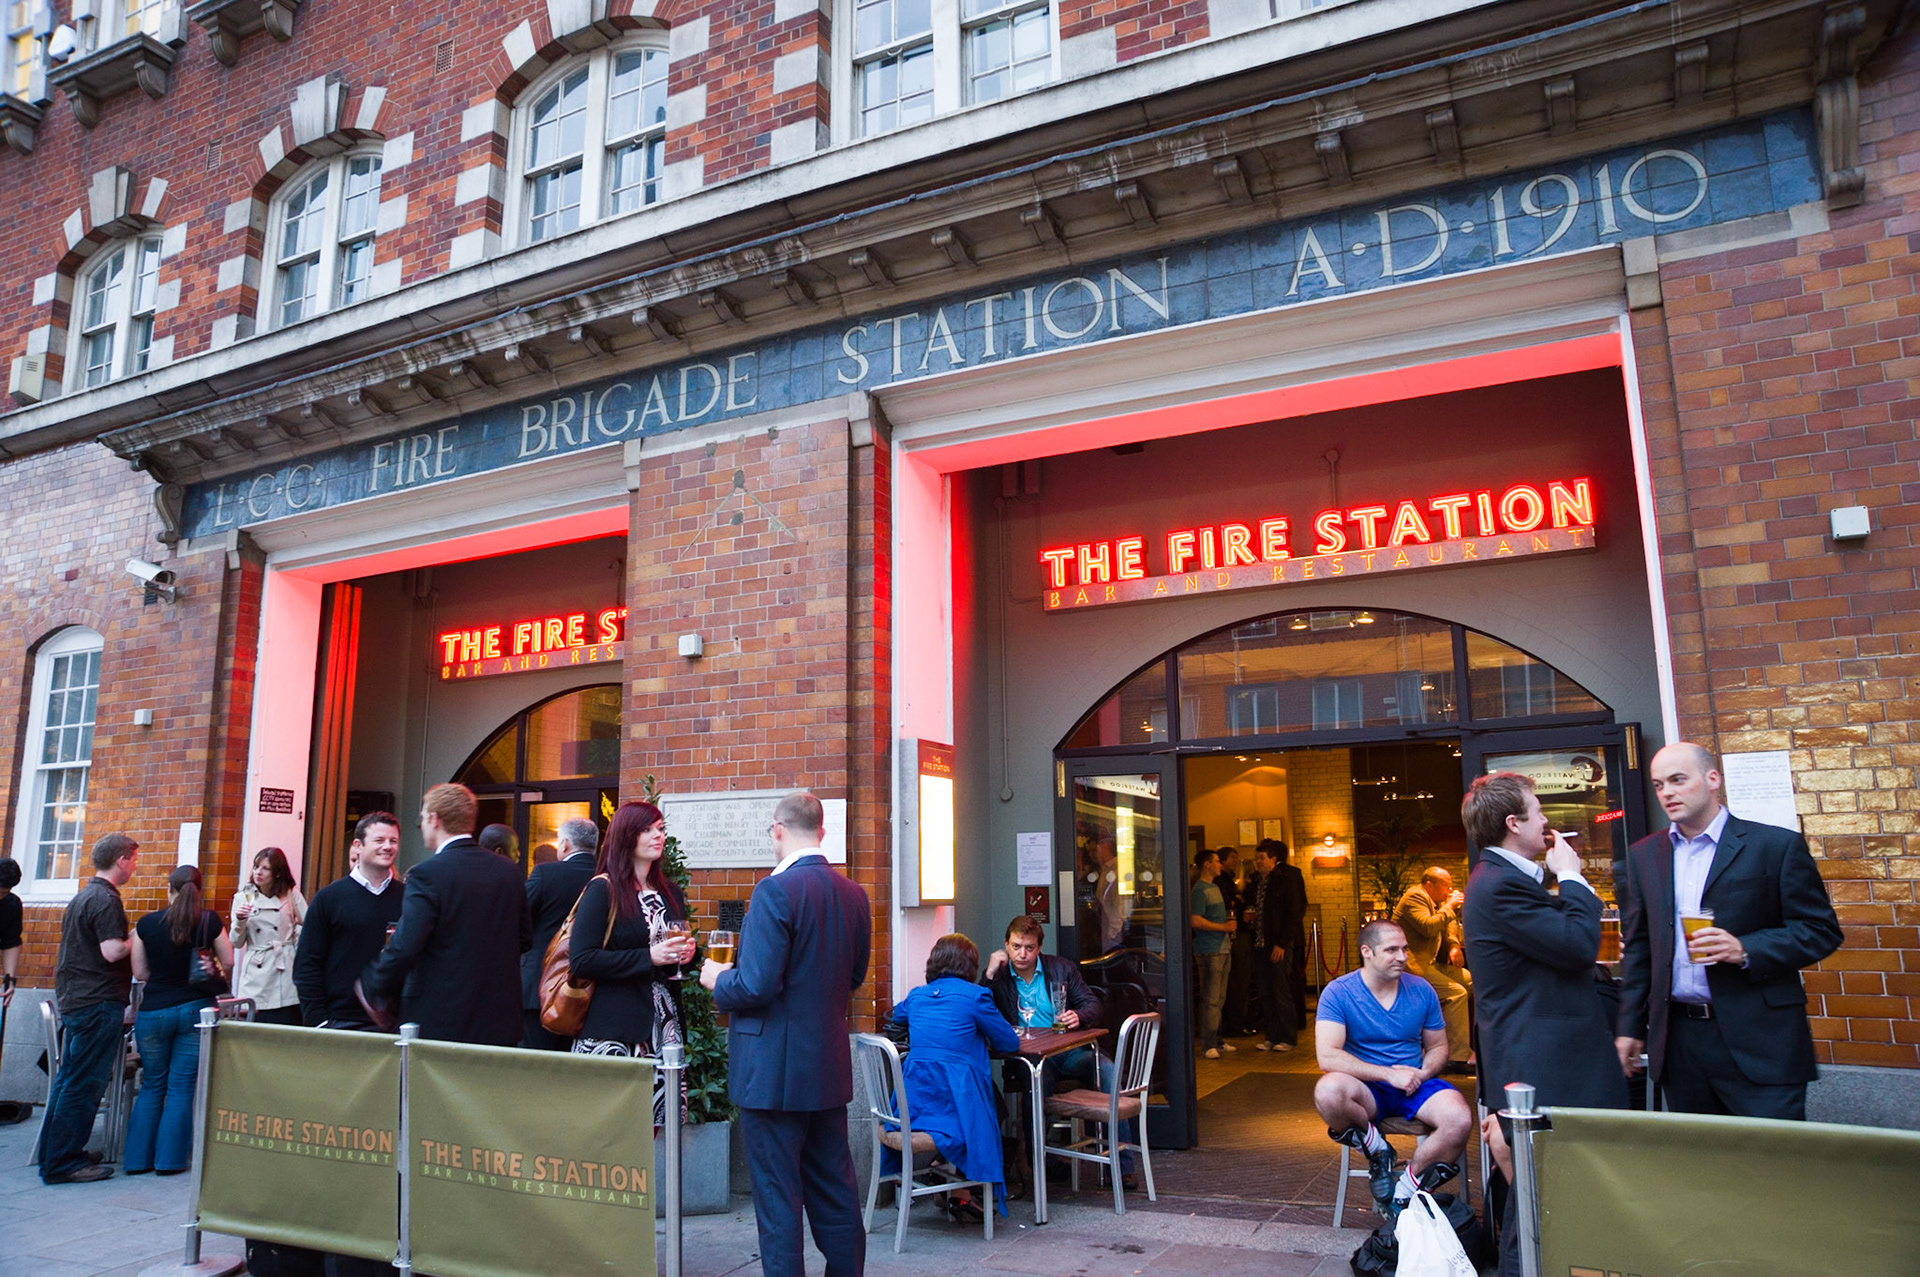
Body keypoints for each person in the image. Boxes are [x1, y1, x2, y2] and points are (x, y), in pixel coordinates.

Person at [1614, 742, 1842, 1120]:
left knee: (1771, 1152)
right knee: (1703, 1154)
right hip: (1680, 1042)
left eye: (1678, 780)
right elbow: (1640, 948)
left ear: (1712, 779)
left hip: (1760, 1039)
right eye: (1658, 785)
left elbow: (1820, 930)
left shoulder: (1774, 846)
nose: (1667, 792)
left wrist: (1746, 948)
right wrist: (1630, 1027)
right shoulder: (1644, 855)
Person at [1461, 772, 1624, 1277]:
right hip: (1543, 1068)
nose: (1547, 820)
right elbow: (1577, 945)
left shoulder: (1506, 880)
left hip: (1544, 1063)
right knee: (1538, 1206)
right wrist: (1571, 877)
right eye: (1538, 811)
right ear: (1514, 823)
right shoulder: (1500, 885)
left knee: (1542, 1203)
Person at [702, 791, 869, 1277]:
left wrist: (717, 980)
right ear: (821, 831)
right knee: (835, 1189)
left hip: (771, 1073)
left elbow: (756, 984)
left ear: (777, 829)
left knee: (778, 1199)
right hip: (827, 1068)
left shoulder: (774, 891)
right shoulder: (854, 894)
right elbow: (855, 976)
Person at [1313, 920, 1471, 1220]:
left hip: (1415, 1082)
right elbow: (1328, 1056)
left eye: (1404, 949)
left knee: (1459, 1118)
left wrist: (1421, 1074)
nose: (1402, 957)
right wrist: (1388, 1074)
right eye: (1391, 950)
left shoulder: (1421, 989)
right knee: (1328, 1091)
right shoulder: (1339, 992)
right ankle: (1378, 1150)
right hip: (1367, 1087)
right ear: (1367, 952)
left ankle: (1405, 1192)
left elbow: (1438, 1047)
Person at [359, 782, 531, 1045]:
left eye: (422, 818)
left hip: (443, 1016)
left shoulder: (426, 874)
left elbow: (406, 945)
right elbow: (525, 938)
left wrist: (374, 985)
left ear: (434, 819)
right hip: (500, 1016)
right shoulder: (508, 872)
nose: (422, 825)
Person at [980, 913, 1136, 1189]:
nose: (1022, 954)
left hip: (1069, 1051)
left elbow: (1093, 1004)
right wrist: (989, 974)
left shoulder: (1061, 968)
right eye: (1016, 947)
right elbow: (979, 1009)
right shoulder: (1000, 977)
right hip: (1029, 1056)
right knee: (1036, 1082)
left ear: (1039, 947)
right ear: (1006, 945)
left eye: (1029, 947)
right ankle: (1041, 1163)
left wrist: (1079, 1015)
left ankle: (1122, 1166)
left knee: (1107, 1071)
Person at [569, 802, 697, 1125]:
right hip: (614, 1028)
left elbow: (672, 961)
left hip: (664, 1026)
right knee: (607, 1129)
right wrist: (648, 957)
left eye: (660, 829)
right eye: (647, 829)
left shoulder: (670, 893)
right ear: (626, 836)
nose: (658, 836)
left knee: (657, 1124)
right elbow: (582, 960)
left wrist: (688, 956)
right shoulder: (603, 889)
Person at [886, 934, 1019, 1220]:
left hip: (914, 1107)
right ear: (970, 965)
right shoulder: (975, 997)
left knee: (993, 1102)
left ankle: (954, 1181)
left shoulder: (917, 996)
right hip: (956, 1107)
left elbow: (895, 1017)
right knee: (989, 1108)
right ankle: (961, 1184)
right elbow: (1009, 1042)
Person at [39, 833, 138, 1184]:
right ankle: (64, 1162)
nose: (134, 867)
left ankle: (55, 1154)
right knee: (84, 1084)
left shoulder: (84, 895)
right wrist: (137, 935)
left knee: (69, 1081)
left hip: (78, 1000)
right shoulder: (106, 900)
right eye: (133, 860)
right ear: (121, 860)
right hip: (97, 1001)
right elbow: (112, 951)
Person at [126, 865, 234, 1175]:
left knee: (152, 1085)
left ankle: (136, 1160)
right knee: (181, 1087)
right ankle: (169, 1161)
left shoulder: (146, 924)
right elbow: (228, 960)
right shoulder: (209, 921)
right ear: (199, 890)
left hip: (153, 1012)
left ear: (169, 889)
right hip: (195, 1010)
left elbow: (140, 973)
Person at [295, 812, 404, 1029]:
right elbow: (307, 963)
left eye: (393, 841)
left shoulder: (409, 898)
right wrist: (319, 1021)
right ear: (358, 845)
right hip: (339, 1023)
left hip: (395, 1026)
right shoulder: (328, 898)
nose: (387, 846)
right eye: (379, 840)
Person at [522, 816, 600, 1050]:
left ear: (564, 844)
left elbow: (519, 915)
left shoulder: (545, 873)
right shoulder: (607, 877)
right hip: (591, 987)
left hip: (541, 984)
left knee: (534, 1061)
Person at [1393, 867, 1473, 1071]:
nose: (1450, 889)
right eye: (1446, 885)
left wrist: (1453, 944)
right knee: (1456, 993)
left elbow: (1447, 925)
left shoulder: (1435, 901)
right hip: (1410, 967)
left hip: (1428, 962)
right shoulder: (1415, 897)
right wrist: (1450, 905)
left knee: (1469, 980)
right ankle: (1455, 1057)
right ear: (1430, 885)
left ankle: (1447, 1039)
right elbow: (1428, 926)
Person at [229, 847, 307, 1025]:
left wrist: (296, 934)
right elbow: (236, 942)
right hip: (257, 971)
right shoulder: (243, 897)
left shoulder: (291, 894)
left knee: (286, 1023)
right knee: (258, 1025)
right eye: (256, 867)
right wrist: (240, 920)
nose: (258, 872)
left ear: (277, 873)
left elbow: (310, 925)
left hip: (285, 968)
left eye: (265, 868)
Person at [1251, 839, 1304, 1052]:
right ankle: (1271, 1035)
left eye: (1262, 858)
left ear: (1273, 860)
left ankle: (1288, 1037)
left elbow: (1293, 914)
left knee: (1280, 989)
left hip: (1277, 943)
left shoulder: (1284, 880)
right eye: (1256, 858)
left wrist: (1282, 944)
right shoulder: (1256, 882)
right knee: (1265, 991)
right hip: (1259, 943)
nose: (1258, 862)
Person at [1190, 848, 1235, 1059]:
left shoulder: (1214, 887)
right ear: (1207, 864)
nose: (1220, 865)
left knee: (1220, 998)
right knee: (1210, 998)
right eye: (1216, 862)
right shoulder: (1199, 890)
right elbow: (1195, 920)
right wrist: (1223, 927)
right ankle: (1207, 1043)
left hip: (1222, 947)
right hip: (1209, 949)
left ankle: (1217, 1038)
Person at [1, 857, 21, 1012]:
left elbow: (11, 942)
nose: (1, 896)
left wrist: (10, 979)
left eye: (5, 892)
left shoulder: (12, 904)